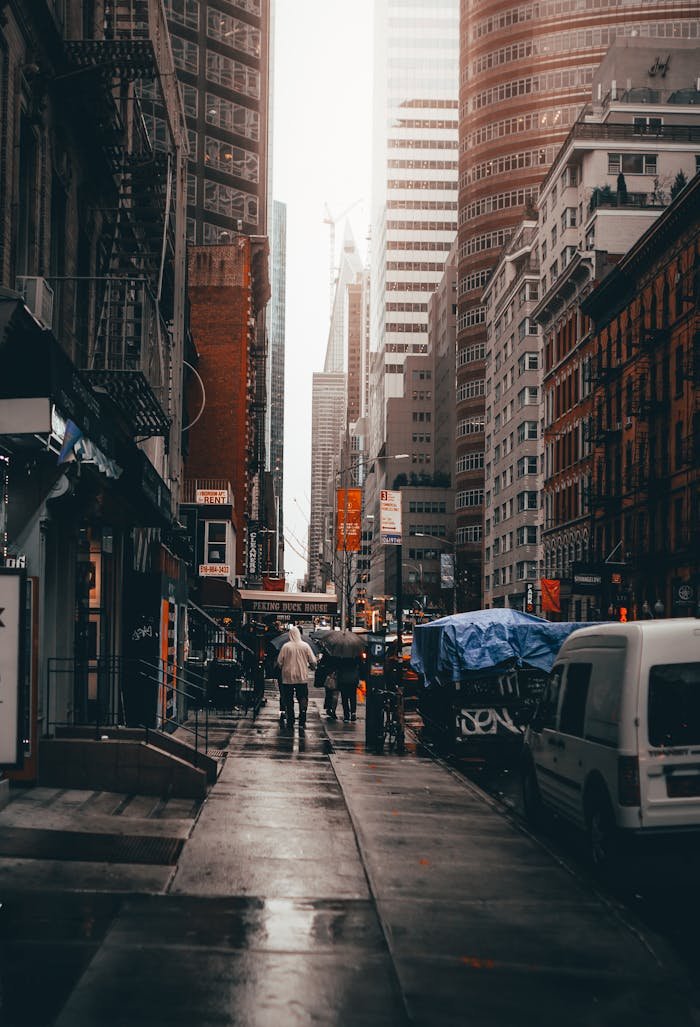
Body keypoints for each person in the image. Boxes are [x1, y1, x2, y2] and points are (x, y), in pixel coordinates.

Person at [276, 625, 317, 729]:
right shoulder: (305, 646)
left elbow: (279, 662)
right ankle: (302, 715)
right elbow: (313, 661)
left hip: (288, 677)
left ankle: (291, 719)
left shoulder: (286, 646)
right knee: (302, 697)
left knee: (288, 698)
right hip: (301, 676)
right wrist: (312, 667)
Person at [333, 653, 363, 722]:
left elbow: (337, 665)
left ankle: (346, 715)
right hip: (353, 678)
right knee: (353, 696)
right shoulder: (356, 653)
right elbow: (361, 665)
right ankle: (353, 713)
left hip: (343, 678)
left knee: (344, 698)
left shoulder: (341, 654)